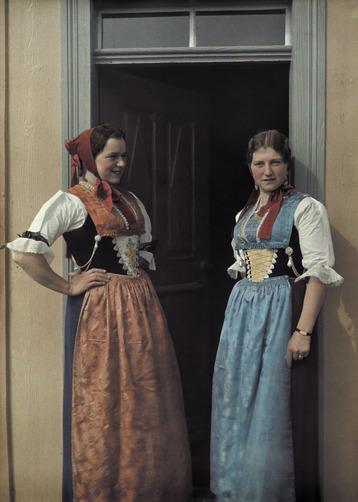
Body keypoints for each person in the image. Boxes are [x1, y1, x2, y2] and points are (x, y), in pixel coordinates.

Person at [5, 124, 192, 502]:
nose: (121, 163)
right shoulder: (70, 201)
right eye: (112, 156)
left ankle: (146, 487)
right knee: (103, 397)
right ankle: (106, 490)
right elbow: (24, 254)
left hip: (140, 305)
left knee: (145, 393)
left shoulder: (130, 201)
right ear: (90, 160)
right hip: (100, 310)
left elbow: (141, 253)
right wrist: (67, 285)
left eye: (124, 155)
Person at [210, 130, 343, 502]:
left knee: (274, 402)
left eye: (275, 162)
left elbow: (317, 272)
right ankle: (238, 489)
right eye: (259, 163)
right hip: (241, 313)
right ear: (249, 168)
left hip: (283, 309)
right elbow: (242, 267)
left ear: (286, 166)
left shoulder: (306, 208)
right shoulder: (244, 213)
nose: (267, 171)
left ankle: (269, 492)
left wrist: (303, 331)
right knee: (236, 396)